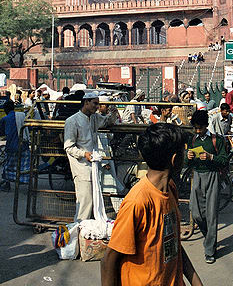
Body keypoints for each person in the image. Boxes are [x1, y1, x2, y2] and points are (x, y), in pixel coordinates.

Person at [101, 123, 203, 286]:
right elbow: (108, 260)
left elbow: (173, 244)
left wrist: (196, 282)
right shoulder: (138, 201)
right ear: (174, 159)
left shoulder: (170, 188)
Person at [64, 91, 119, 221]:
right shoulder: (72, 121)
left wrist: (113, 113)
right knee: (85, 202)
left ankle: (86, 229)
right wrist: (84, 154)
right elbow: (68, 147)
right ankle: (78, 229)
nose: (97, 106)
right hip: (81, 167)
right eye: (95, 103)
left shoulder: (94, 118)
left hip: (93, 166)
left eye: (98, 104)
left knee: (93, 200)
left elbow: (106, 122)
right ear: (86, 102)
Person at [187, 110, 228, 264]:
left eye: (200, 128)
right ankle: (209, 237)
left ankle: (210, 250)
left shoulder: (216, 140)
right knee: (196, 212)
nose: (198, 131)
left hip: (212, 176)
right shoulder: (193, 140)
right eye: (195, 128)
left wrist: (211, 157)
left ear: (206, 126)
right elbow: (187, 163)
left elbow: (224, 160)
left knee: (211, 215)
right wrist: (188, 156)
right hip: (197, 175)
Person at [0, 100, 29, 192]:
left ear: (5, 110)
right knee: (25, 166)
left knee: (8, 166)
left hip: (11, 146)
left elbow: (2, 132)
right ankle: (26, 182)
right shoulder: (21, 116)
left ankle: (7, 184)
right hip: (23, 145)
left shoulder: (5, 119)